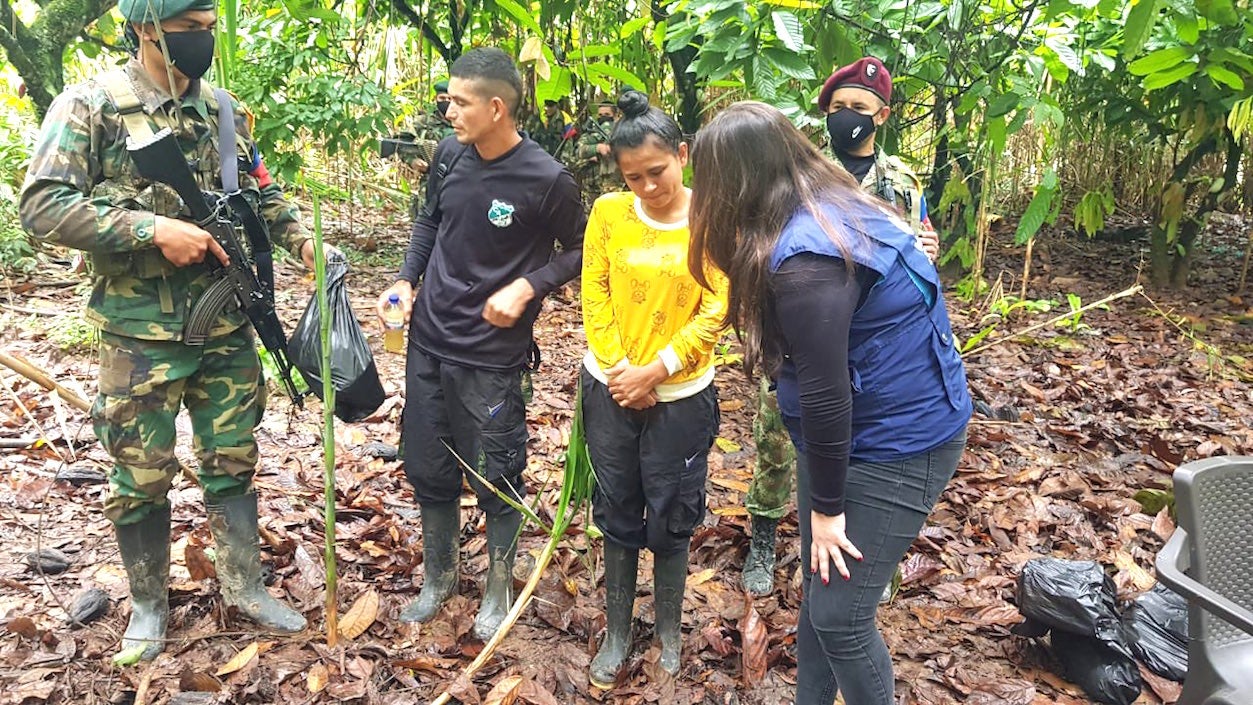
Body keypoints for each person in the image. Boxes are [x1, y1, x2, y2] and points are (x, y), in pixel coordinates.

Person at [18, 0, 328, 660]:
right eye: (190, 30)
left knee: (232, 459)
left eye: (210, 28)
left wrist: (302, 243)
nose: (203, 40)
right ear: (145, 30)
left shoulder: (223, 110)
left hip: (226, 322)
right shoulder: (91, 104)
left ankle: (245, 585)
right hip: (139, 334)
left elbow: (259, 189)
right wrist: (149, 229)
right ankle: (150, 604)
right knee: (140, 474)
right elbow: (42, 205)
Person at [687, 102, 970, 705]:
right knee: (823, 590)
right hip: (857, 428)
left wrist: (828, 512)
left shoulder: (809, 258)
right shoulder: (826, 201)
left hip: (898, 439)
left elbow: (825, 390)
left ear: (734, 183)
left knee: (842, 615)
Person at [375, 48, 586, 641]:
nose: (449, 112)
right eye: (448, 99)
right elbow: (429, 223)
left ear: (496, 108)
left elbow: (580, 248)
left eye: (460, 102)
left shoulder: (547, 179)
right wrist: (404, 279)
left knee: (497, 471)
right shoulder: (449, 157)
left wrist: (529, 284)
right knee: (427, 464)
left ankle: (498, 583)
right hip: (428, 342)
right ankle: (438, 579)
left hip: (492, 356)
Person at [741, 56, 940, 597]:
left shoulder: (901, 180)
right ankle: (764, 534)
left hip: (870, 342)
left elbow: (919, 244)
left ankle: (869, 552)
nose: (847, 117)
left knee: (864, 441)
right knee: (778, 439)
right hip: (802, 328)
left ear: (882, 115)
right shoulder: (802, 170)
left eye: (859, 108)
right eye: (838, 107)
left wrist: (927, 249)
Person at [581, 90, 726, 687]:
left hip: (681, 396)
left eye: (657, 172)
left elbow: (720, 302)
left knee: (671, 513)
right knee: (617, 508)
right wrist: (622, 374)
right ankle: (617, 631)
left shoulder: (713, 217)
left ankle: (667, 630)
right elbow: (595, 294)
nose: (645, 186)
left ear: (684, 155)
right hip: (612, 391)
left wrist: (658, 369)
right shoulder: (608, 214)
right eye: (632, 176)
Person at [401, 80, 456, 218]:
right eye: (442, 98)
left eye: (450, 99)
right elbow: (400, 143)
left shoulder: (464, 121)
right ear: (435, 99)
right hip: (430, 181)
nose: (446, 102)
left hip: (459, 181)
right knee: (426, 221)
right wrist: (412, 160)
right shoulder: (423, 122)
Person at [573, 100, 621, 200]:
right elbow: (578, 151)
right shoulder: (592, 133)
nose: (603, 117)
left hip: (619, 186)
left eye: (607, 114)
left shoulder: (625, 131)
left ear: (616, 115)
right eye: (600, 115)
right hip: (593, 185)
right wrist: (597, 148)